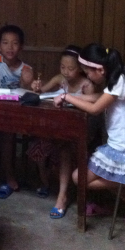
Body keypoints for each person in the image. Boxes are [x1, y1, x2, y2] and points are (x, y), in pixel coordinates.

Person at [53, 43, 125, 237]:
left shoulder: (119, 82)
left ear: (100, 70)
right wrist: (70, 96)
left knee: (79, 178)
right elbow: (102, 97)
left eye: (88, 72)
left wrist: (68, 98)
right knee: (101, 177)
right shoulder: (123, 73)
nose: (88, 77)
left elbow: (95, 108)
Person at [28, 45, 96, 218]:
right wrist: (36, 86)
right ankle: (46, 182)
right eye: (62, 67)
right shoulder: (60, 79)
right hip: (57, 128)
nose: (66, 71)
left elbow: (90, 111)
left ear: (80, 68)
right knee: (37, 143)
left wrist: (71, 100)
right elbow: (41, 92)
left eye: (71, 68)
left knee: (65, 148)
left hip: (79, 132)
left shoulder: (87, 85)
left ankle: (62, 196)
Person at [0, 25, 33, 198]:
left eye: (15, 43)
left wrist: (26, 81)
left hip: (18, 109)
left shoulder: (26, 69)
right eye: (5, 43)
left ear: (21, 46)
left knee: (7, 132)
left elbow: (24, 92)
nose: (10, 47)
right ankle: (1, 170)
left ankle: (9, 175)